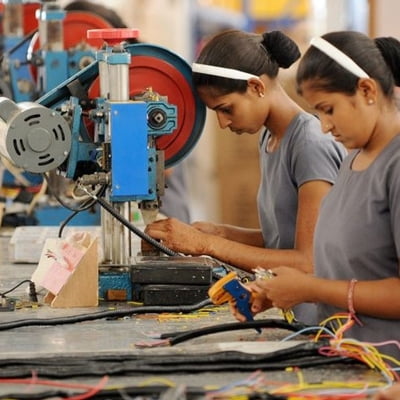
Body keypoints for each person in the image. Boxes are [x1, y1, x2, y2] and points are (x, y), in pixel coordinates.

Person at [145, 29, 347, 323]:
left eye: (226, 109)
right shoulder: (270, 138)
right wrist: (220, 233)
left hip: (321, 323)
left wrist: (207, 246)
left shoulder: (309, 144)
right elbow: (283, 238)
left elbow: (308, 261)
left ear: (256, 87)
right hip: (291, 315)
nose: (223, 123)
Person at [236, 30, 400, 360]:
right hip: (348, 356)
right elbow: (353, 267)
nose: (324, 126)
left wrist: (311, 288)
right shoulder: (354, 156)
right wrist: (286, 289)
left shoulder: (394, 165)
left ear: (366, 90)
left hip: (389, 368)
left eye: (328, 109)